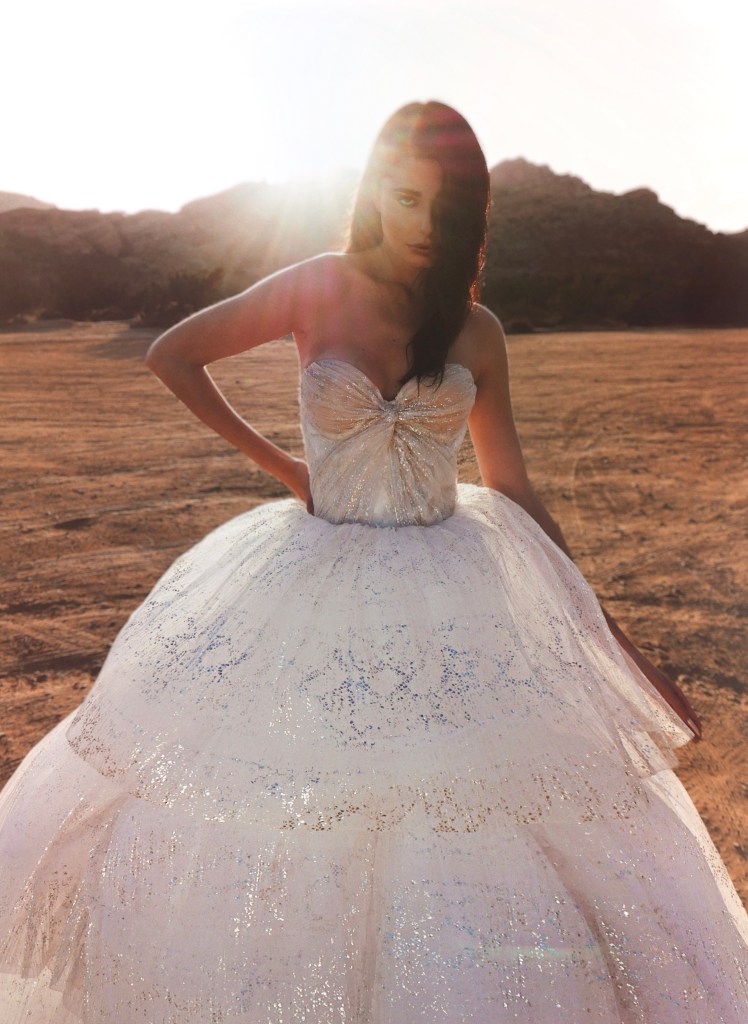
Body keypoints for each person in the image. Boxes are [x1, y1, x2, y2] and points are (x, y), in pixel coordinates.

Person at [0, 100, 746, 1024]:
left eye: (448, 209)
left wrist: (618, 650)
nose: (423, 225)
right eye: (405, 198)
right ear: (372, 193)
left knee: (471, 820)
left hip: (458, 587)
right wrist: (290, 470)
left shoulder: (476, 331)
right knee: (300, 803)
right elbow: (173, 353)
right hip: (313, 586)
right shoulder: (318, 284)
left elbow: (513, 488)